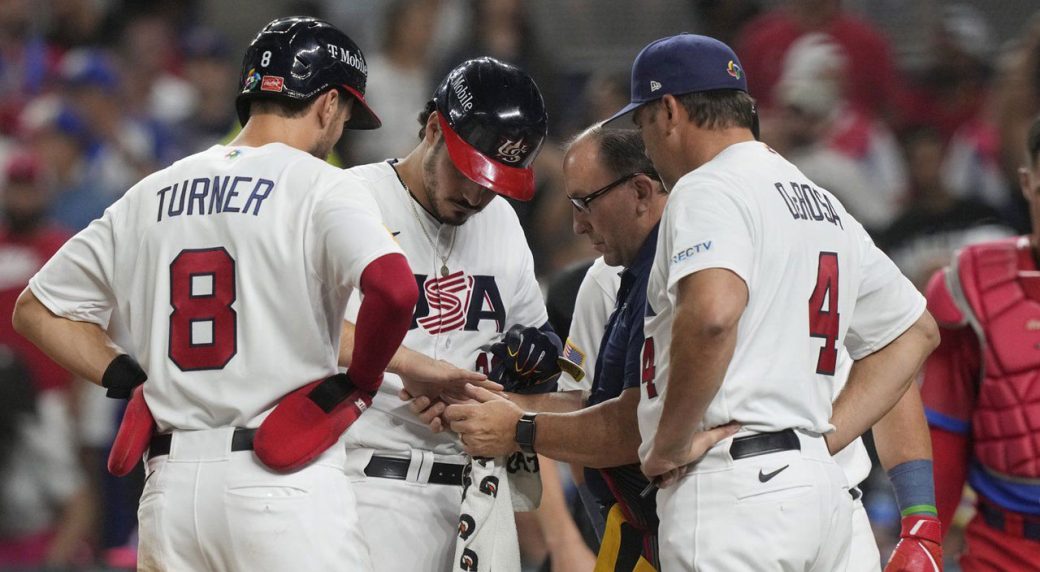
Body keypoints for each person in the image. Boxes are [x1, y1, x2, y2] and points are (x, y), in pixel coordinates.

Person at [12, 16, 419, 571]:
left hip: (171, 493)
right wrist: (361, 383)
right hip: (281, 482)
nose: (342, 125)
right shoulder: (322, 183)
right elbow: (394, 290)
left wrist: (132, 378)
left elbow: (36, 309)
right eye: (346, 112)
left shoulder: (152, 190)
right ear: (328, 105)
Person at [605, 33, 940, 570]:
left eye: (643, 124)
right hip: (824, 499)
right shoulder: (820, 200)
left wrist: (669, 442)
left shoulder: (707, 187)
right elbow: (914, 331)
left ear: (668, 111)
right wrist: (821, 440)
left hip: (737, 495)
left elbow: (712, 317)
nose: (647, 146)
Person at [338, 56, 561, 572]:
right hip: (362, 486)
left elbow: (550, 360)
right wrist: (413, 366)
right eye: (469, 171)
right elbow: (302, 327)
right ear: (435, 128)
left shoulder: (502, 223)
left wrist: (534, 364)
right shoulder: (352, 199)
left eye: (495, 181)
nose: (477, 194)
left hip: (477, 496)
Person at [922, 114, 1040, 571]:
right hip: (1002, 549)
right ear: (1027, 183)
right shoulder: (972, 287)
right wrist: (923, 542)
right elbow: (945, 431)